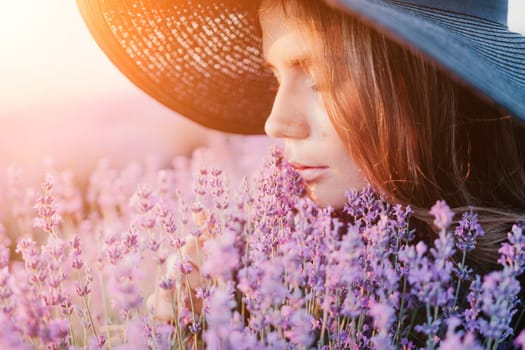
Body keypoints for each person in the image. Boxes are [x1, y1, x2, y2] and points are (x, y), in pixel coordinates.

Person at [77, 0, 525, 332]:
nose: (275, 121)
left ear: (428, 84)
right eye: (277, 76)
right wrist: (192, 326)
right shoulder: (274, 269)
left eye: (319, 76)